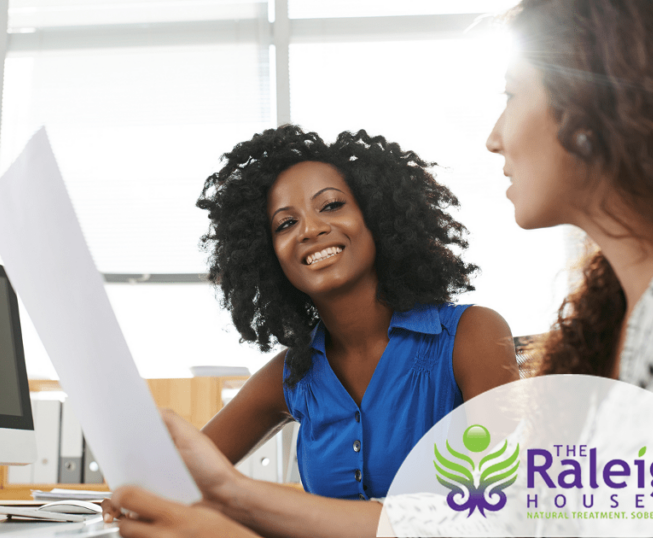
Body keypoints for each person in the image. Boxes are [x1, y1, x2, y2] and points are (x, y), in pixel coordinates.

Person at [107, 0, 653, 536]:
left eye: (511, 95)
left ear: (593, 105)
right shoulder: (622, 322)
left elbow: (493, 519)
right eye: (285, 223)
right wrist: (229, 494)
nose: (492, 137)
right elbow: (505, 524)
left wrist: (235, 511)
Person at [195, 125, 519, 501]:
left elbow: (501, 503)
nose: (310, 229)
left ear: (377, 216)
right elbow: (172, 476)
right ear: (269, 256)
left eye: (331, 205)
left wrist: (262, 507)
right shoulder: (291, 375)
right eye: (286, 223)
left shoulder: (471, 335)